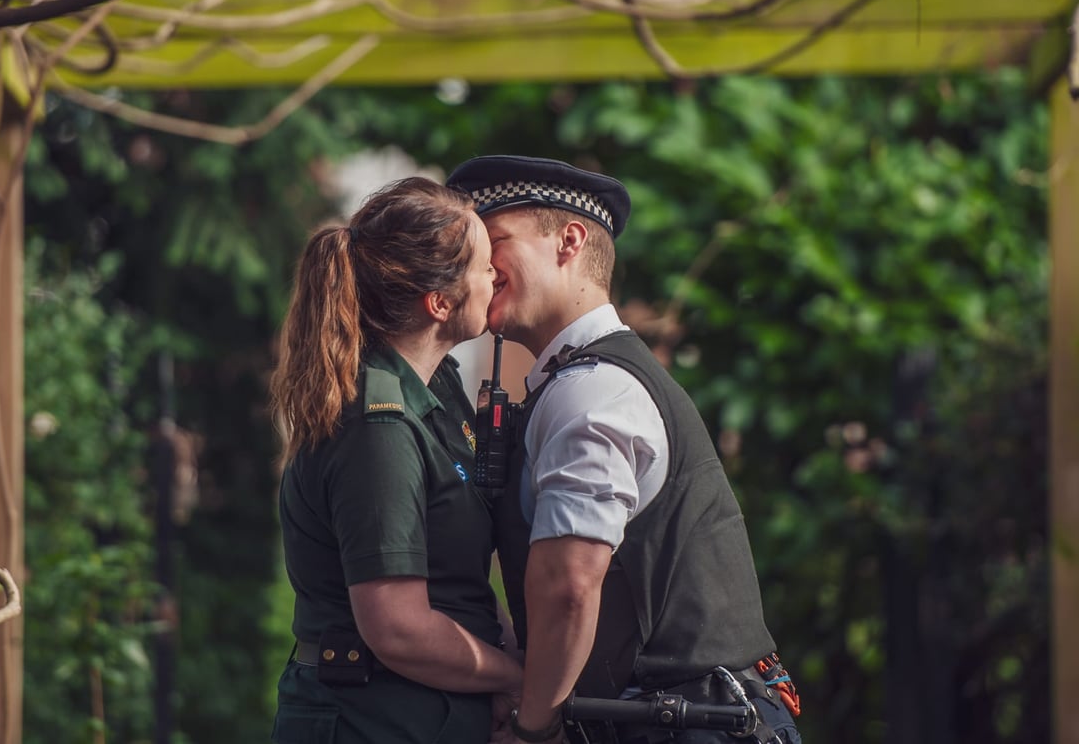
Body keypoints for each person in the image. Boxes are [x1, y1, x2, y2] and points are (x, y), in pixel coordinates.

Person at [446, 156, 801, 744]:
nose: (477, 266)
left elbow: (569, 585)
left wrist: (535, 725)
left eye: (495, 242)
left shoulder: (591, 389)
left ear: (569, 241)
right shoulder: (585, 380)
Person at [269, 177, 522, 743]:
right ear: (439, 303)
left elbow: (460, 589)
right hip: (373, 719)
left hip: (419, 715)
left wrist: (502, 662)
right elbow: (398, 628)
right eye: (483, 265)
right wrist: (522, 678)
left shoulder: (435, 391)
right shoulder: (377, 424)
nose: (495, 275)